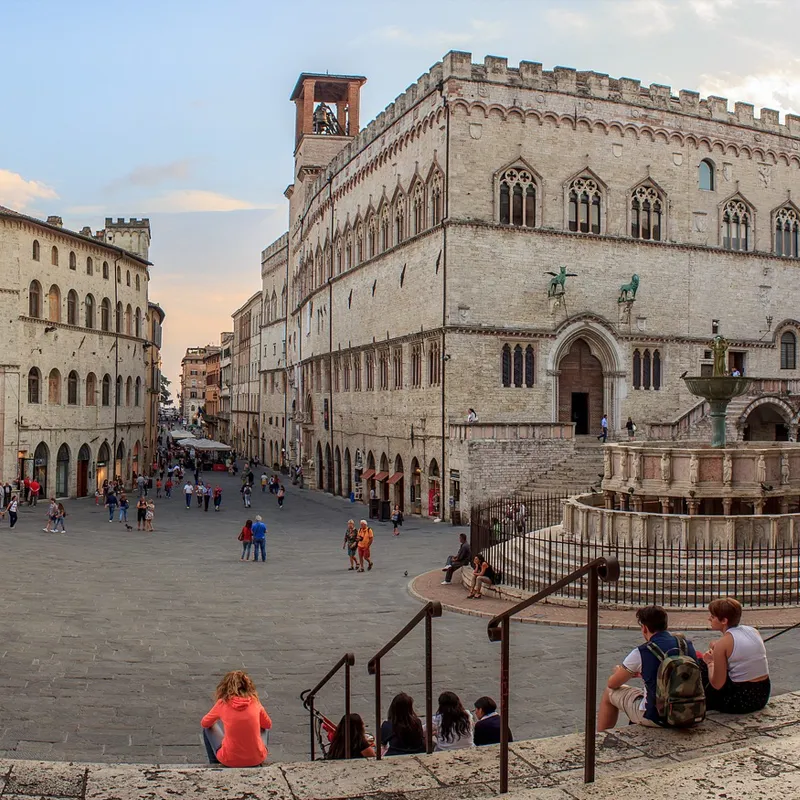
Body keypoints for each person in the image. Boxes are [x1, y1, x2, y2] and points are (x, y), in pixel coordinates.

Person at [598, 605, 702, 731]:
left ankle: (599, 737)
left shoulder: (642, 652)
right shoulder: (686, 645)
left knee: (609, 692)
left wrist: (618, 671)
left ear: (645, 628)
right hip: (690, 711)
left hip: (657, 716)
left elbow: (613, 683)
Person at [701, 597, 770, 714]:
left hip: (741, 699)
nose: (709, 618)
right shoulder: (752, 631)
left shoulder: (722, 644)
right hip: (763, 693)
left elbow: (717, 684)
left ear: (724, 621)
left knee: (702, 666)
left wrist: (710, 662)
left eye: (712, 617)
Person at [201, 670, 272, 767]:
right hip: (256, 759)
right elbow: (268, 724)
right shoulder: (255, 702)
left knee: (207, 728)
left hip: (229, 760)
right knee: (264, 726)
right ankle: (257, 753)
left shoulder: (222, 703)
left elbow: (205, 723)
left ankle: (215, 763)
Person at [380, 693, 425, 757]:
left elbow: (383, 742)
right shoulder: (417, 722)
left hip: (395, 754)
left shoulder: (387, 725)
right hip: (418, 751)